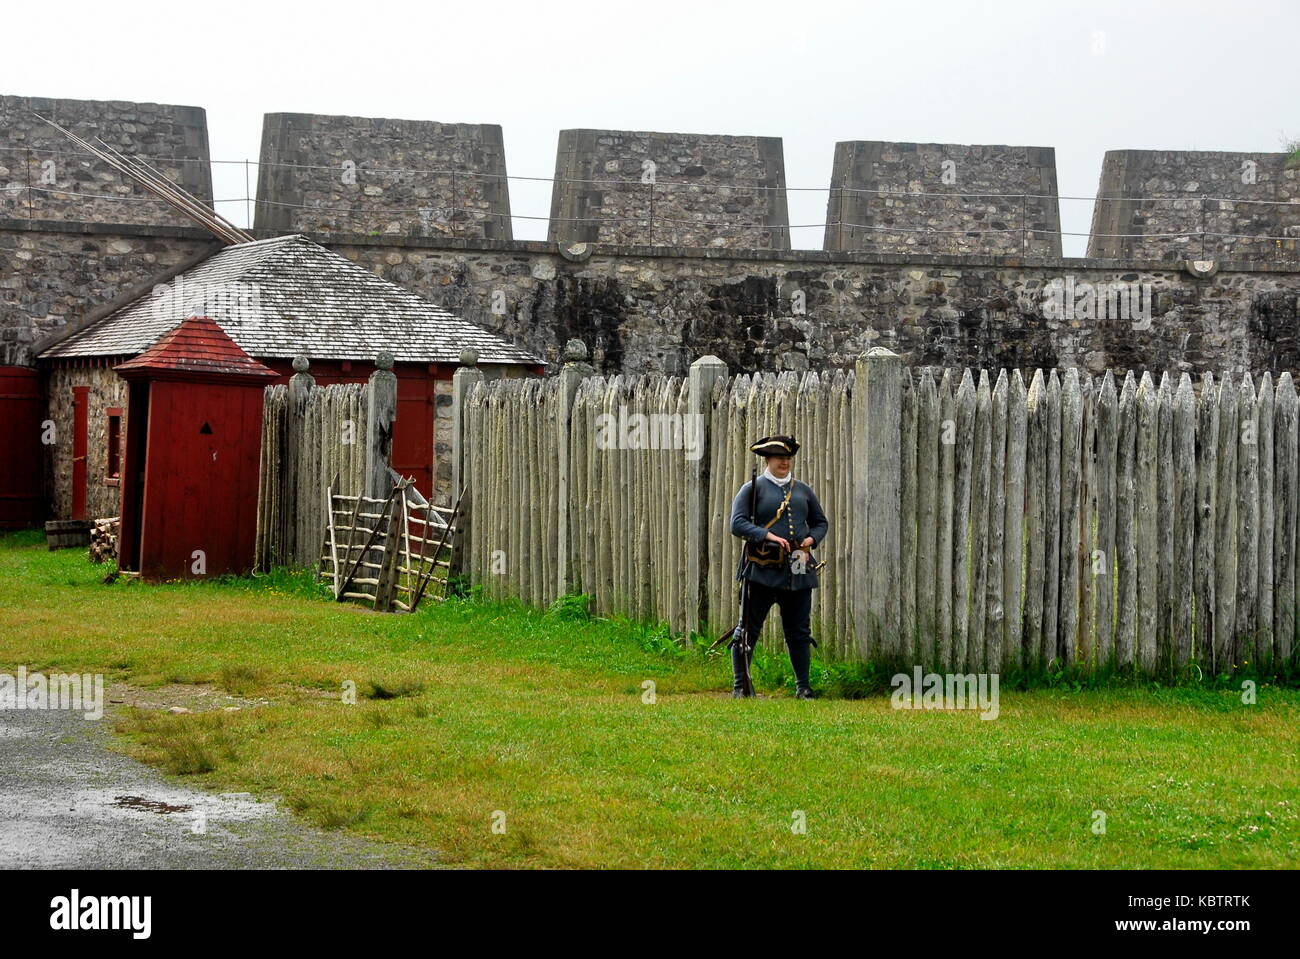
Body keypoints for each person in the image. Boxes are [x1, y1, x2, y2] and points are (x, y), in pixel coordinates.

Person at [728, 435, 829, 699]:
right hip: (762, 566)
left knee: (799, 631)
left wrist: (811, 539)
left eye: (787, 458)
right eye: (779, 458)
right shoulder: (752, 488)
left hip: (798, 566)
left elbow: (821, 523)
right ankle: (741, 687)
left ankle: (803, 687)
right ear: (768, 460)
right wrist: (767, 536)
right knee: (748, 629)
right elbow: (737, 524)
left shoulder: (803, 490)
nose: (784, 462)